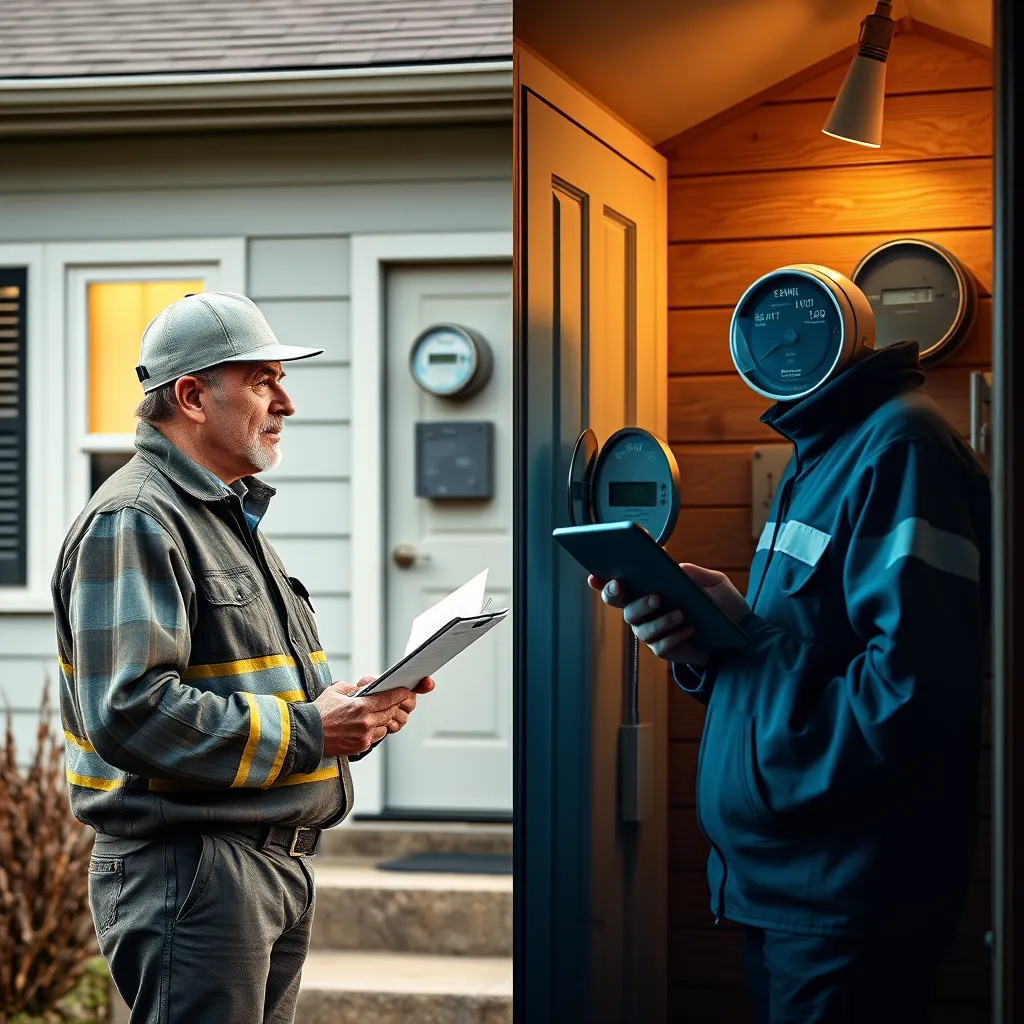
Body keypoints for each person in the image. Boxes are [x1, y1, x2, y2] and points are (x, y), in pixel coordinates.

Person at [51, 291, 433, 1024]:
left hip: (263, 866)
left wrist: (353, 709)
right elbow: (129, 713)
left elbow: (243, 684)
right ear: (192, 396)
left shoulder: (227, 516)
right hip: (194, 872)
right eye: (262, 380)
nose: (285, 402)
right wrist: (313, 730)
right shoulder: (134, 519)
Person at [590, 341, 991, 1023]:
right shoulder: (824, 450)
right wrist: (710, 644)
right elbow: (805, 651)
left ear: (846, 331)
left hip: (843, 899)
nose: (776, 347)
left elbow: (906, 700)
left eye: (797, 327)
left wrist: (745, 653)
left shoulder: (902, 446)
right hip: (780, 887)